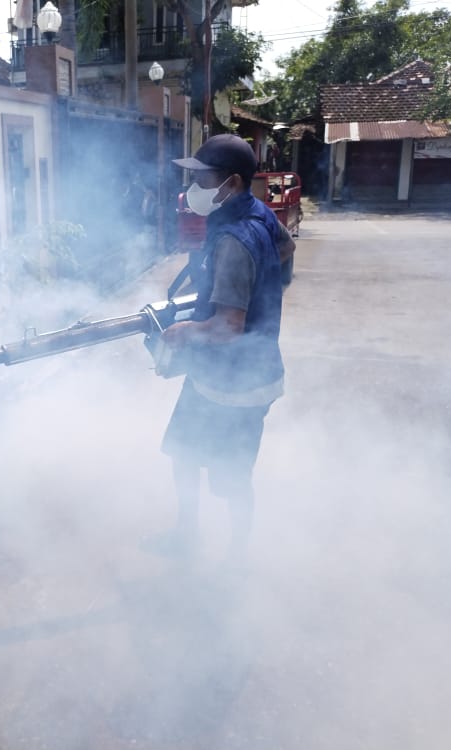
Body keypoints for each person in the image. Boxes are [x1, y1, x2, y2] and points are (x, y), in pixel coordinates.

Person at [150, 134, 295, 564]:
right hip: (225, 373)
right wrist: (256, 285)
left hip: (237, 384)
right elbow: (286, 247)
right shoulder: (258, 212)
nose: (193, 187)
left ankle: (234, 561)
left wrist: (181, 332)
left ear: (230, 183)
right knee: (184, 451)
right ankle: (188, 535)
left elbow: (228, 327)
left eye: (202, 178)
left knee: (230, 479)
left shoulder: (235, 240)